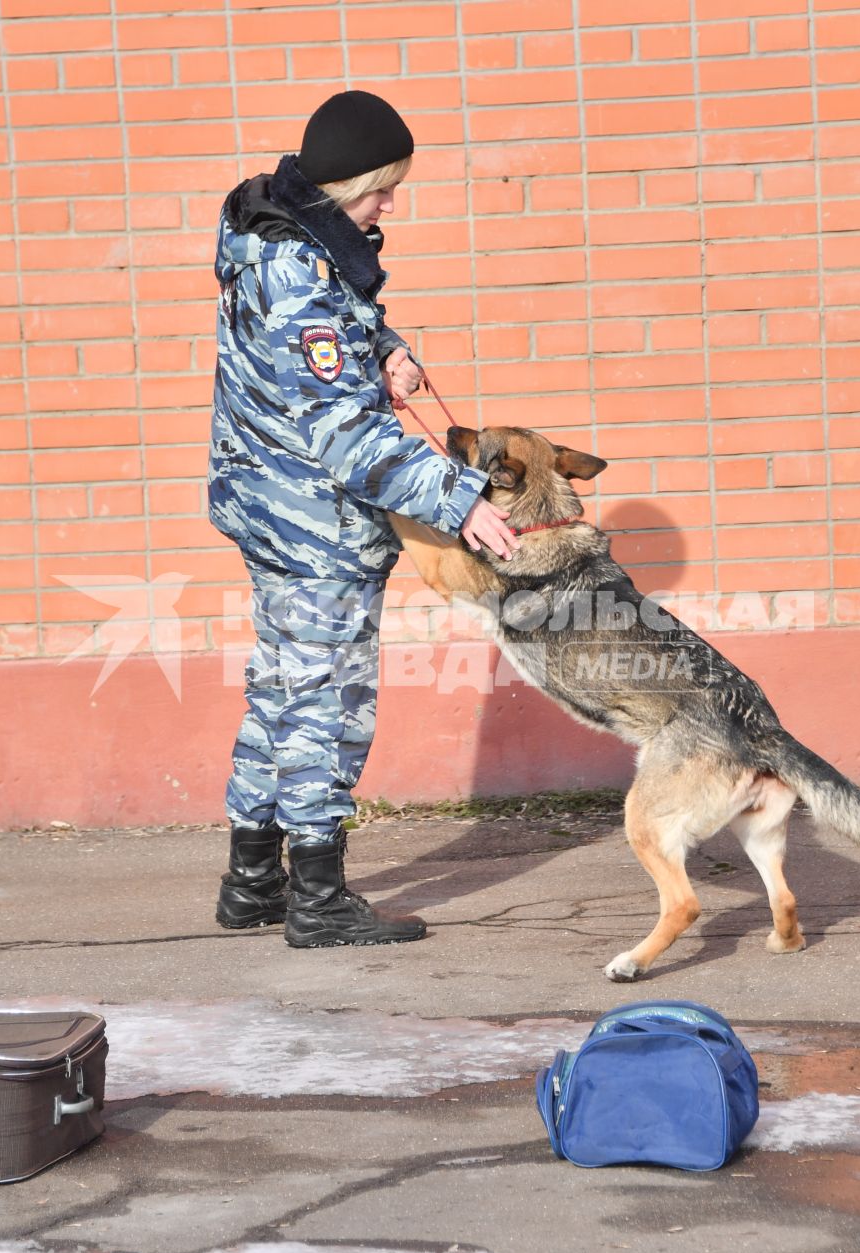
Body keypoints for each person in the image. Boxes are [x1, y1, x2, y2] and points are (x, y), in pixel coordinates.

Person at [205, 89, 519, 947]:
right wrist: (464, 501)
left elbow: (338, 332)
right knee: (325, 700)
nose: (391, 204)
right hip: (314, 523)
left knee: (279, 687)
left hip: (267, 502)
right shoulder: (297, 267)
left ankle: (253, 880)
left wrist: (386, 350)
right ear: (345, 181)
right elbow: (347, 437)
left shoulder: (282, 234)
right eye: (382, 188)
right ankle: (317, 898)